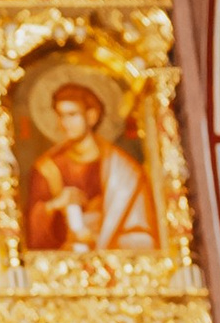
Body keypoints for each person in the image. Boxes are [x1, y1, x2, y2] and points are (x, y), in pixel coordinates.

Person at [23, 79, 157, 255]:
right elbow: (33, 237)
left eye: (72, 115)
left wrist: (100, 237)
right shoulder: (47, 168)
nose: (65, 123)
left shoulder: (123, 169)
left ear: (91, 116)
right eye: (61, 115)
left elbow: (144, 233)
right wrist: (54, 205)